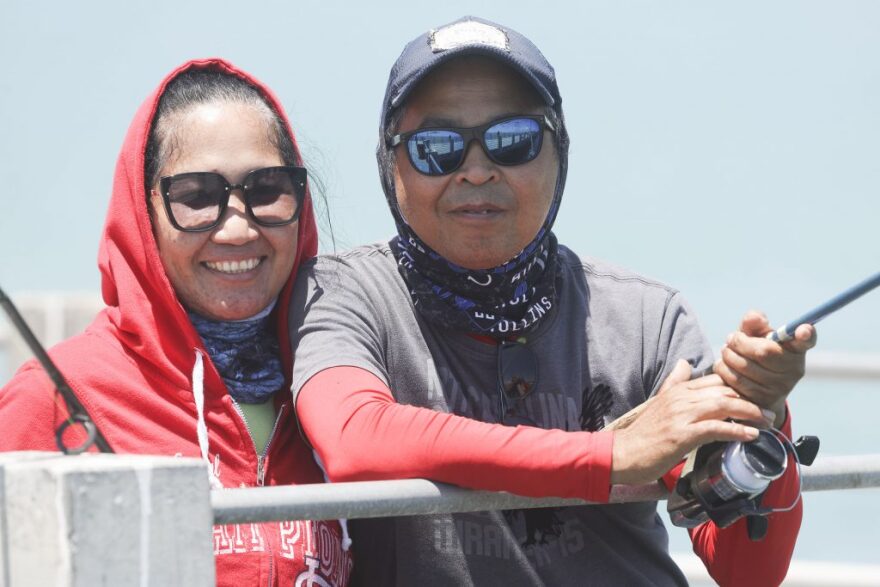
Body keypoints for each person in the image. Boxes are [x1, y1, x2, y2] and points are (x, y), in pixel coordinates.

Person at [289, 17, 815, 586]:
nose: (476, 170)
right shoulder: (341, 292)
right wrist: (612, 457)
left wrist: (764, 415)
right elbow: (355, 438)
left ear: (559, 152)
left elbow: (748, 572)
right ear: (390, 166)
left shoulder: (647, 318)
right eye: (435, 148)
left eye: (512, 140)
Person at [0, 58, 352, 586]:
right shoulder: (56, 397)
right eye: (196, 197)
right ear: (143, 215)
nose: (237, 229)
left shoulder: (340, 386)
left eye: (266, 189)